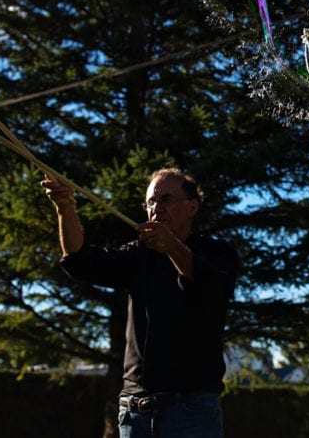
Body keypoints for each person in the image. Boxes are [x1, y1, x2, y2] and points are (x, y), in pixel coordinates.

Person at [41, 167, 239, 438]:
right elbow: (79, 262)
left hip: (192, 411)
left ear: (192, 207)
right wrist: (65, 207)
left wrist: (172, 247)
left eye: (166, 199)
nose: (156, 208)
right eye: (151, 202)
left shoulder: (218, 254)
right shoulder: (139, 254)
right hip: (135, 413)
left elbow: (211, 287)